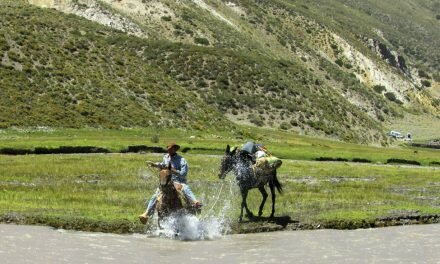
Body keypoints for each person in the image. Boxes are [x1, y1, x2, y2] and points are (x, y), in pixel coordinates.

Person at [138, 142, 202, 224]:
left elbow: (183, 174)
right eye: (168, 149)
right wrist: (155, 165)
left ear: (175, 149)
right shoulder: (166, 157)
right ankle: (146, 214)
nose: (169, 151)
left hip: (178, 181)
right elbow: (163, 165)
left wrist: (172, 170)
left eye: (171, 149)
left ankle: (195, 202)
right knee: (156, 195)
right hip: (167, 181)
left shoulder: (181, 160)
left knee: (185, 188)